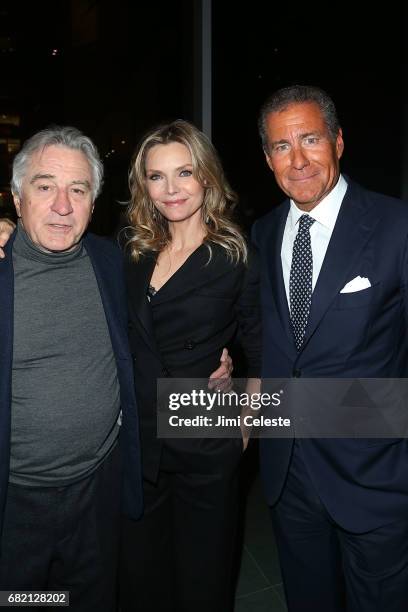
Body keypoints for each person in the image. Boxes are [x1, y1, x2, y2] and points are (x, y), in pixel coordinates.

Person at [252, 84, 408, 612]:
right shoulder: (263, 231)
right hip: (289, 474)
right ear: (267, 157)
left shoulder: (395, 226)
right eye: (280, 146)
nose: (297, 160)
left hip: (376, 477)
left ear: (338, 142)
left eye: (310, 139)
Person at [119, 119, 261, 612]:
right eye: (157, 177)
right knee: (143, 580)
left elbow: (260, 348)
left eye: (184, 173)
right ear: (144, 185)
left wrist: (245, 424)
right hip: (138, 447)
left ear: (206, 176)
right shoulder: (133, 251)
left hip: (204, 438)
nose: (171, 189)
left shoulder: (235, 255)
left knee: (203, 582)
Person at [0, 126, 143, 612]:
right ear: (17, 199)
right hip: (15, 504)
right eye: (45, 187)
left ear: (92, 201)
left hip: (97, 488)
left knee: (92, 598)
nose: (63, 206)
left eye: (78, 190)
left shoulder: (108, 260)